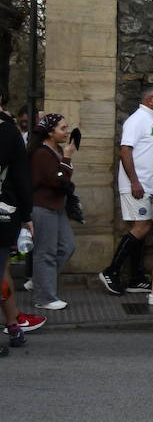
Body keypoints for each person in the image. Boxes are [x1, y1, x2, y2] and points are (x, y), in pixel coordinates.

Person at [100, 82, 153, 295]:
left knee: (144, 228)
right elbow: (125, 151)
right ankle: (111, 271)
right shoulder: (137, 120)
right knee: (141, 227)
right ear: (150, 99)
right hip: (138, 185)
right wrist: (134, 182)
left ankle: (136, 278)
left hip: (151, 185)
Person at [29, 113, 78, 311]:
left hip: (56, 206)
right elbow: (58, 180)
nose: (66, 132)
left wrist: (65, 156)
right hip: (42, 207)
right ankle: (44, 297)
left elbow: (62, 176)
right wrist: (67, 157)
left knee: (67, 246)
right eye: (62, 128)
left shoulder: (55, 149)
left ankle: (40, 280)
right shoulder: (41, 153)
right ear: (50, 132)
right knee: (46, 252)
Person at [0, 90, 32, 346]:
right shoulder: (9, 133)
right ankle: (12, 324)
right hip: (3, 212)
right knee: (1, 270)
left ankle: (12, 323)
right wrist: (26, 214)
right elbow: (21, 177)